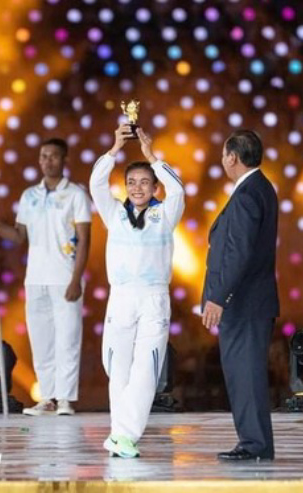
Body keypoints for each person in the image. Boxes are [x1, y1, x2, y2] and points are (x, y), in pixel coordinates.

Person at [90, 124, 185, 458]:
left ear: (155, 186)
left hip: (153, 299)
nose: (137, 188)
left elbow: (178, 190)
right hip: (121, 298)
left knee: (146, 370)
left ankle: (125, 435)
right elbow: (96, 183)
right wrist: (114, 148)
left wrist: (151, 156)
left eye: (145, 182)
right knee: (117, 369)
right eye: (131, 182)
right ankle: (119, 434)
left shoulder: (165, 214)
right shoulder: (115, 213)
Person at [0, 138, 91, 416]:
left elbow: (84, 240)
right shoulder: (29, 196)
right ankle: (47, 397)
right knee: (41, 341)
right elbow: (19, 236)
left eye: (53, 156)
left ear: (64, 159)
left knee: (67, 339)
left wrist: (76, 279)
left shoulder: (76, 195)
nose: (47, 161)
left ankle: (65, 399)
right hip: (35, 279)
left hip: (65, 277)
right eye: (43, 156)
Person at [201, 130, 279, 461]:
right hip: (250, 302)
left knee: (245, 374)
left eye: (223, 154)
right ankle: (254, 442)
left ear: (232, 157)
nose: (222, 160)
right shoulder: (260, 188)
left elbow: (239, 251)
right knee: (244, 373)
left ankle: (254, 445)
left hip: (244, 303)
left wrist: (218, 296)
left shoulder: (248, 194)